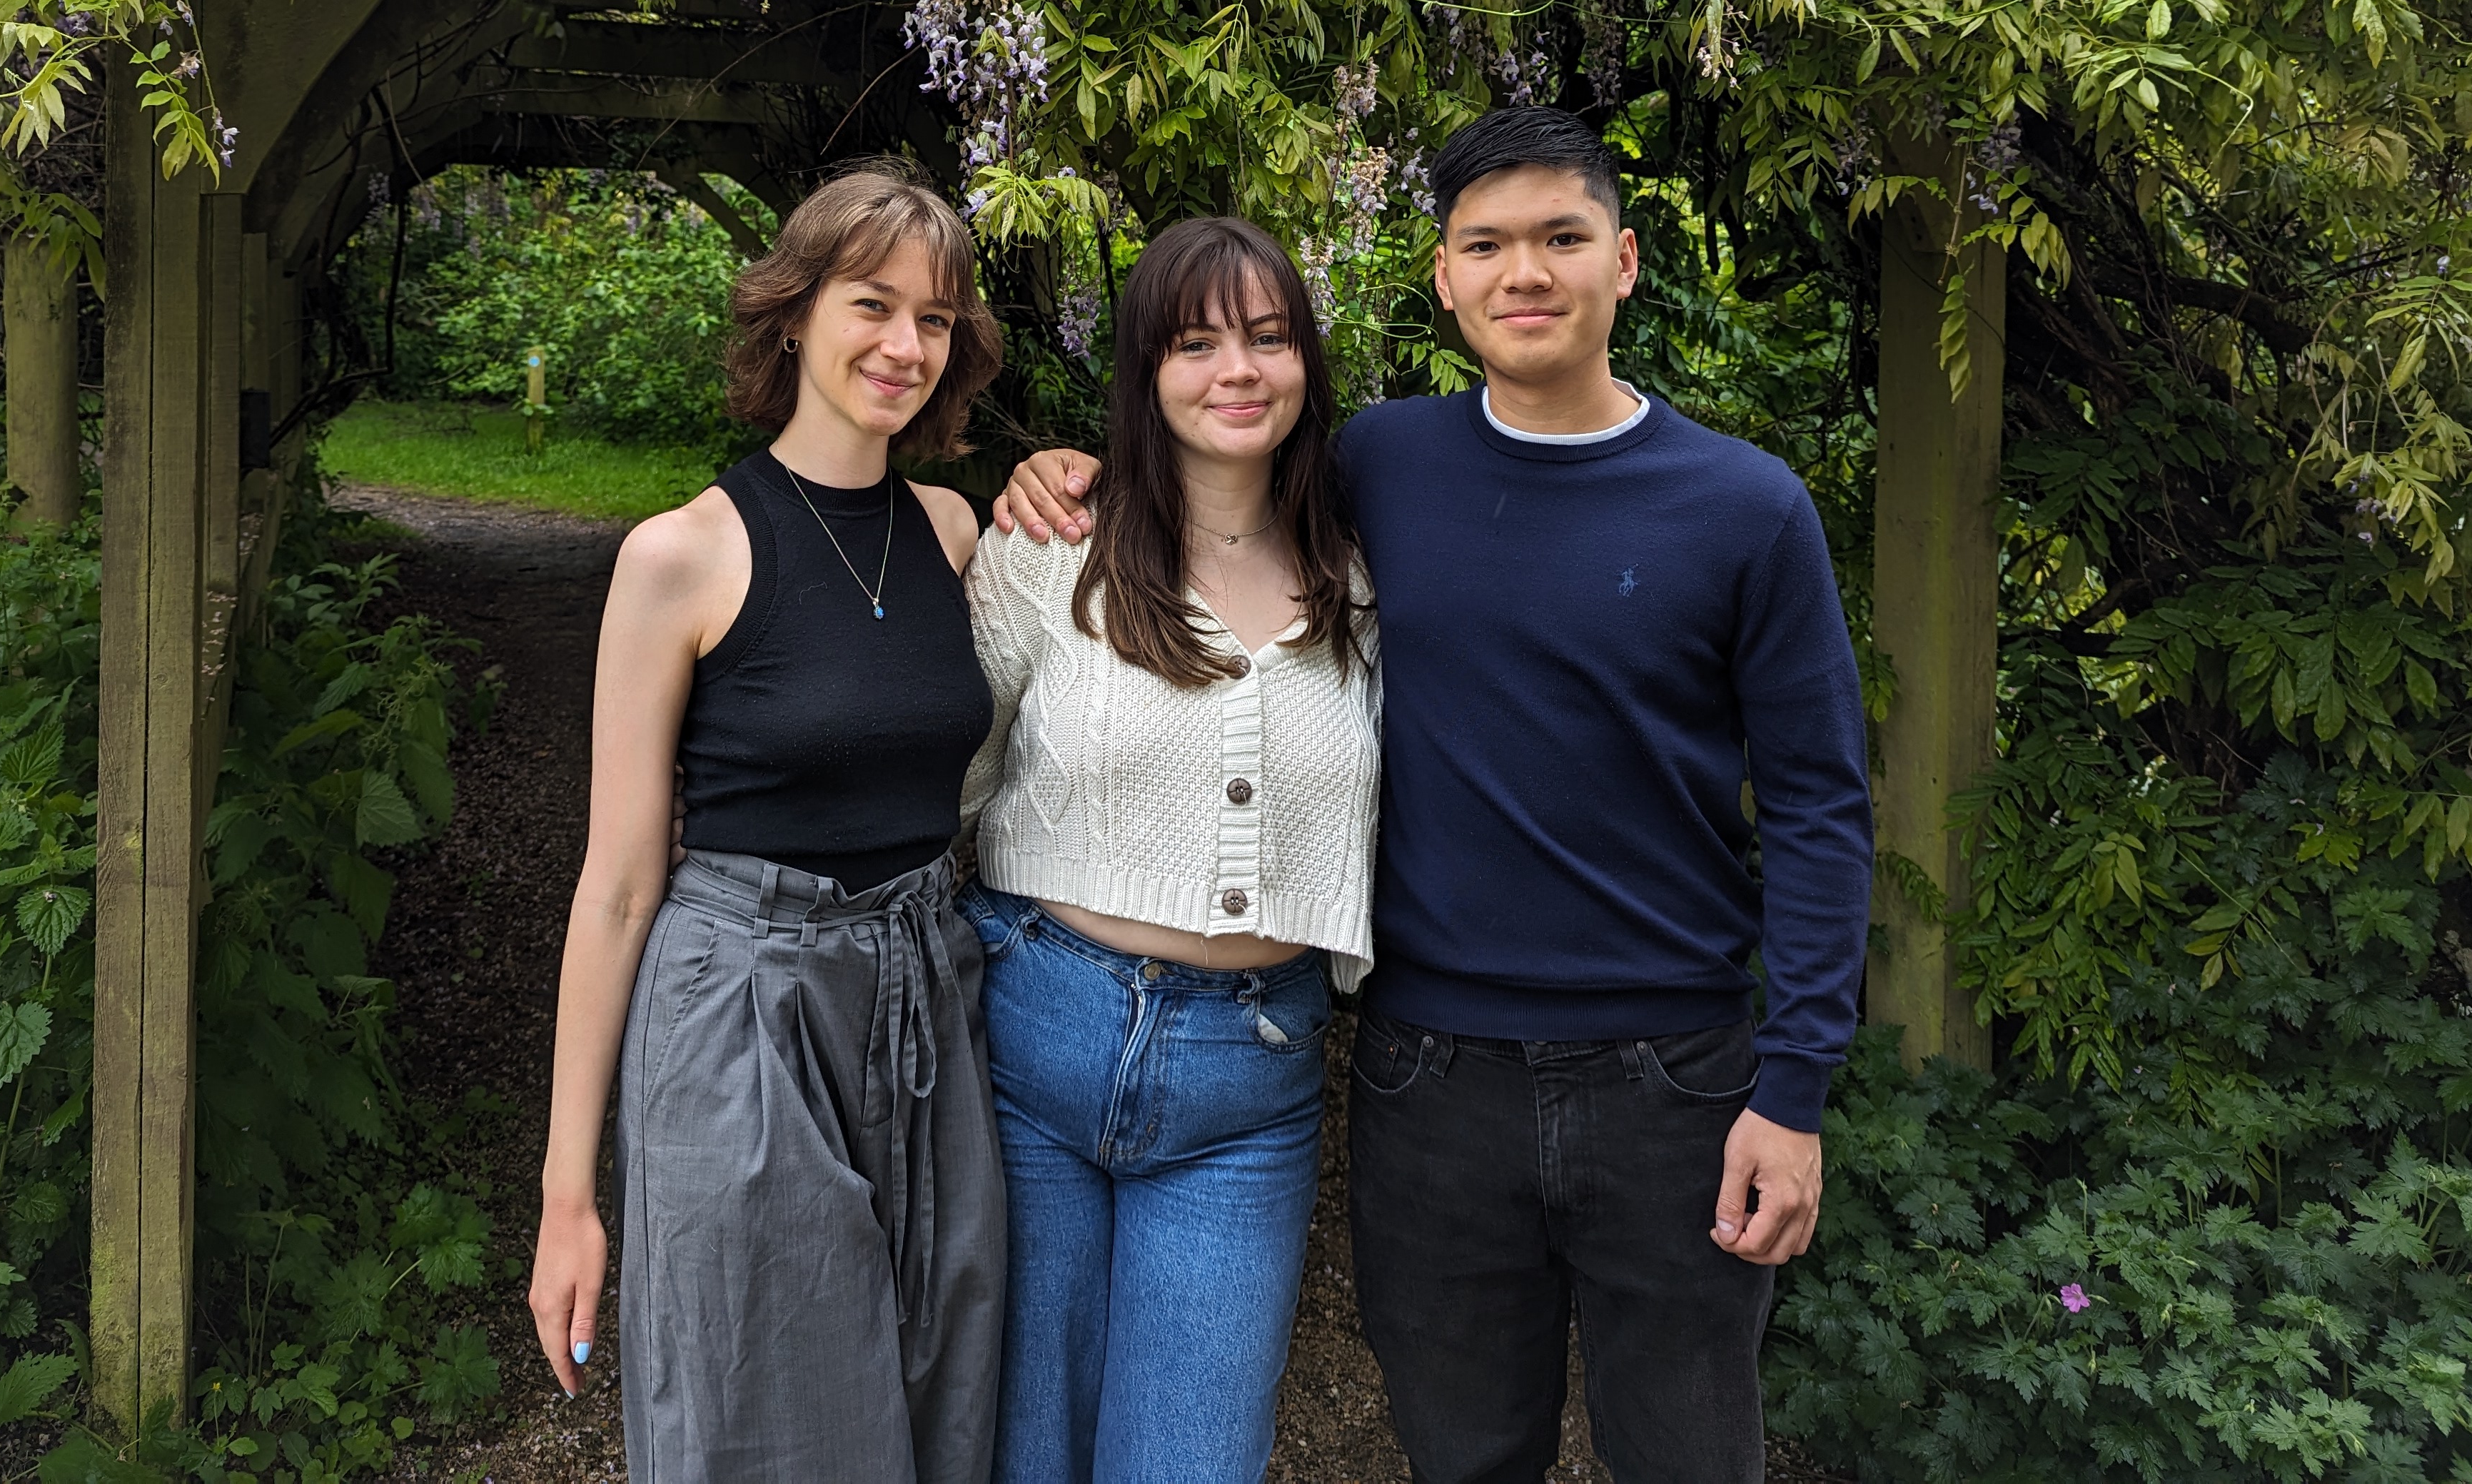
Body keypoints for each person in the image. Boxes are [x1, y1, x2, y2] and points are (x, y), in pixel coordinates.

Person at [998, 107, 1875, 1484]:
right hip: (1429, 1073)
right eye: (1488, 244)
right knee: (1462, 1458)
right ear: (1447, 279)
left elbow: (1822, 807)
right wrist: (1065, 473)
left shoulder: (1746, 508)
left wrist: (1799, 1086)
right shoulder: (1381, 471)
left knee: (1694, 1454)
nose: (1526, 270)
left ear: (1626, 261)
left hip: (1677, 1079)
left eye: (1561, 238)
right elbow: (1216, 484)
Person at [530, 163, 1010, 1484]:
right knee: (769, 1426)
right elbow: (619, 888)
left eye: (936, 319)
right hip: (742, 1010)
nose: (906, 346)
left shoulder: (955, 532)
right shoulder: (682, 554)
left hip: (926, 999)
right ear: (794, 313)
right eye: (873, 305)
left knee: (940, 1394)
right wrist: (571, 1195)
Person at [958, 217, 1379, 1484]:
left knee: (1190, 1458)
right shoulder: (1048, 554)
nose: (1235, 370)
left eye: (1267, 336)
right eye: (1195, 343)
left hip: (1249, 1079)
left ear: (1307, 360)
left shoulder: (1360, 578)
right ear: (1144, 369)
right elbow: (951, 775)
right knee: (1022, 1442)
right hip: (1032, 1032)